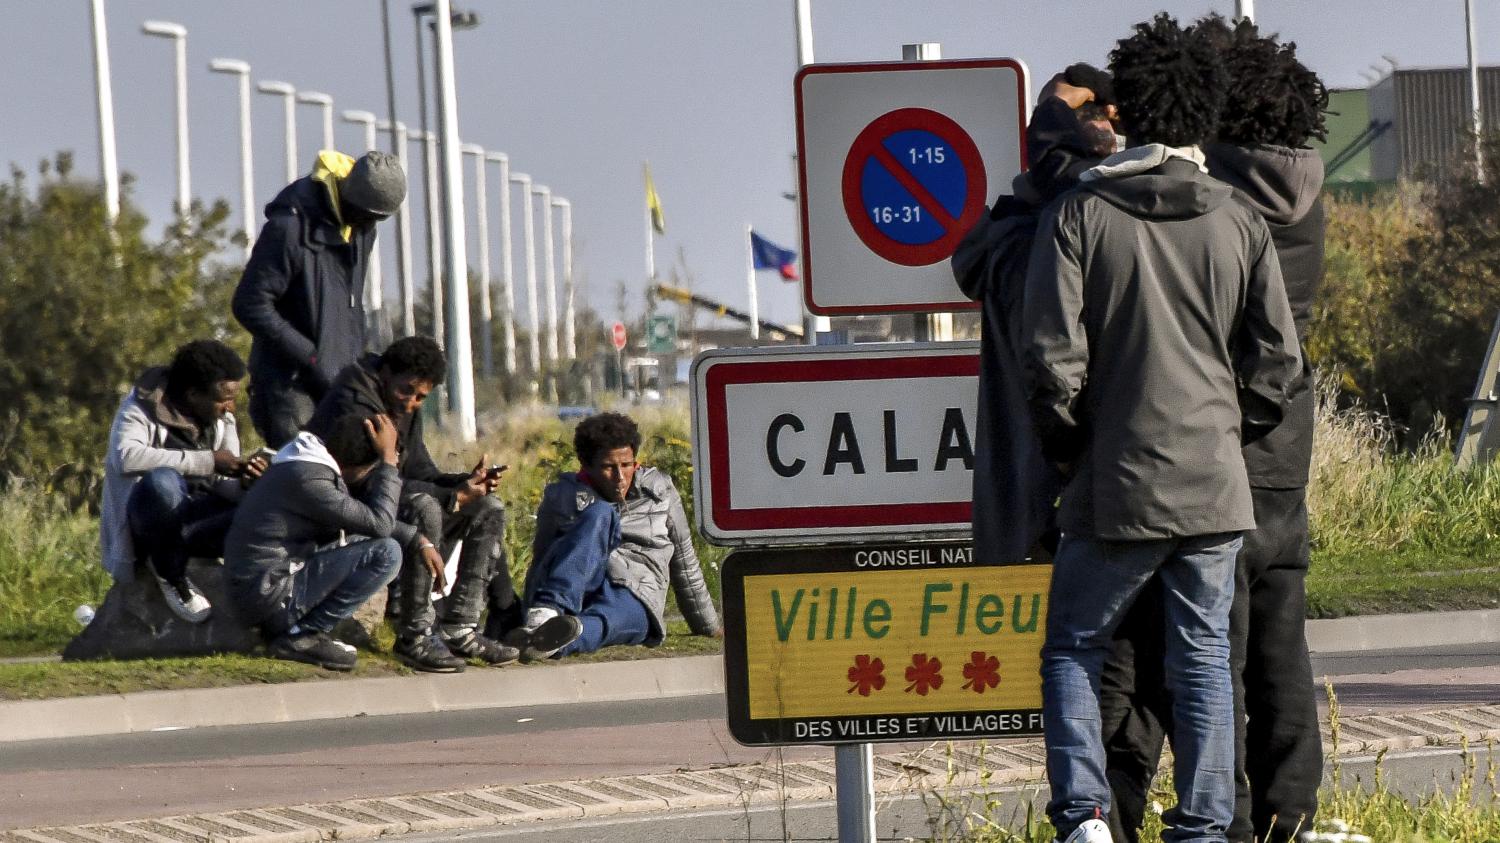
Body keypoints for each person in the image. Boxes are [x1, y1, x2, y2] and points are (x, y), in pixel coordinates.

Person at [1020, 15, 1301, 843]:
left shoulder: (1079, 215)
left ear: (1125, 110)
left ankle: (1086, 817)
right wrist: (1224, 434)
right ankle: (1204, 826)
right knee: (1205, 658)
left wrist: (1076, 446)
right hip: (1215, 486)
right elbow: (1278, 363)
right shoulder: (1241, 219)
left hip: (1116, 485)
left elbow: (1049, 361)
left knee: (1074, 646)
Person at [1100, 18, 1330, 843]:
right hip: (1286, 446)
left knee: (1205, 651)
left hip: (1210, 444)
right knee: (1278, 636)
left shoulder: (1217, 198)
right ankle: (1288, 814)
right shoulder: (1307, 193)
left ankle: (1223, 818)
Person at [952, 62, 1119, 565]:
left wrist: (1053, 112)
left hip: (1016, 504)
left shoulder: (1004, 239)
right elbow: (1057, 370)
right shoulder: (1067, 234)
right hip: (1076, 497)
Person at [305, 336, 519, 672]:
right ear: (385, 374)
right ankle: (414, 634)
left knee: (489, 506)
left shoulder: (405, 408)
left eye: (421, 397)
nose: (411, 403)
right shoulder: (356, 403)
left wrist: (464, 482)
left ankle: (460, 627)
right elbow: (367, 480)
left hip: (391, 496)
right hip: (349, 504)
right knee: (425, 507)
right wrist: (451, 497)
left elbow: (419, 470)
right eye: (407, 391)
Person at [233, 150, 407, 448]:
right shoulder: (289, 229)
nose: (369, 224)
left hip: (338, 381)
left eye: (378, 219)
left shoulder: (361, 228)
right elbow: (250, 303)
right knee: (301, 475)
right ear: (348, 197)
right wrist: (310, 354)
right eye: (367, 216)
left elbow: (348, 306)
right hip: (289, 387)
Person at [513, 412, 720, 660]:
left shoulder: (660, 490)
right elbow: (543, 558)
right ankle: (544, 618)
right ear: (586, 465)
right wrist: (529, 608)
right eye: (608, 467)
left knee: (606, 622)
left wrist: (707, 626)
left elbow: (685, 562)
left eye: (627, 465)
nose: (620, 477)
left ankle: (550, 643)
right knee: (599, 513)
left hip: (635, 593)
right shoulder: (563, 495)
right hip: (579, 587)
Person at [224, 413, 408, 671]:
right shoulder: (311, 479)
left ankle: (296, 632)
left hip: (266, 588)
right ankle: (304, 635)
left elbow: (368, 522)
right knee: (387, 553)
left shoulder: (302, 463)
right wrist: (388, 462)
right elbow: (381, 524)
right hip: (268, 593)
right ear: (360, 467)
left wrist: (420, 541)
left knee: (366, 541)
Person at [99, 340, 263, 623]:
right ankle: (171, 576)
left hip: (196, 520)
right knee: (162, 482)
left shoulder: (221, 419)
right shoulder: (141, 407)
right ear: (193, 394)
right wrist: (208, 460)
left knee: (266, 501)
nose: (230, 407)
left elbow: (221, 481)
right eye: (223, 399)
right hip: (151, 522)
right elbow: (125, 457)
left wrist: (246, 480)